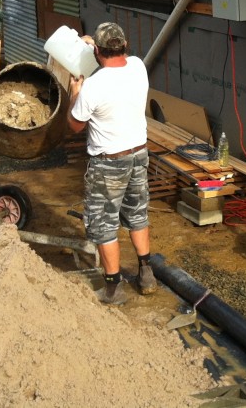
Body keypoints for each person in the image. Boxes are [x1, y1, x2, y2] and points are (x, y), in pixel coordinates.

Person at [66, 22, 156, 304]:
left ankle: (113, 288)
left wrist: (74, 92)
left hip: (109, 164)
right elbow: (116, 59)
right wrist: (94, 44)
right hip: (139, 155)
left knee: (104, 225)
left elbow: (75, 125)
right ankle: (146, 273)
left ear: (97, 52)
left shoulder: (92, 87)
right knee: (137, 214)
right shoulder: (139, 67)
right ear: (124, 46)